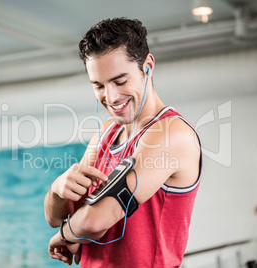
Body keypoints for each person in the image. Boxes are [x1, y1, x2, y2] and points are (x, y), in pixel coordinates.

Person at [44, 17, 202, 267]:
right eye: (98, 86)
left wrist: (65, 234)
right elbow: (57, 216)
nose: (111, 97)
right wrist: (56, 190)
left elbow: (93, 222)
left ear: (147, 66)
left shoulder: (171, 133)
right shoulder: (107, 132)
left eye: (120, 81)